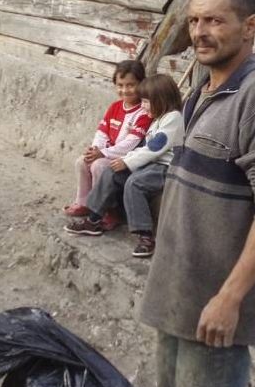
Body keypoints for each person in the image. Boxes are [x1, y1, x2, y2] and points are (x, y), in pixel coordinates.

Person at [138, 0, 255, 387]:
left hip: (215, 311)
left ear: (250, 26)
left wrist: (230, 298)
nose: (199, 32)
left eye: (214, 20)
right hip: (179, 297)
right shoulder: (202, 92)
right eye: (194, 20)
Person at [64, 73, 184, 258]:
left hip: (165, 167)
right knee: (112, 172)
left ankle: (145, 236)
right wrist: (124, 161)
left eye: (146, 101)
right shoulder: (157, 119)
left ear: (161, 99)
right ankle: (94, 219)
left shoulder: (173, 118)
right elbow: (144, 148)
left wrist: (127, 162)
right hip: (149, 162)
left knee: (135, 183)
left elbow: (155, 147)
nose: (142, 106)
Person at [63, 60, 152, 227]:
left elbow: (130, 144)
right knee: (82, 161)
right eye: (120, 85)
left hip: (125, 159)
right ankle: (84, 202)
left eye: (131, 85)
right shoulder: (115, 107)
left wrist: (103, 154)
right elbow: (102, 132)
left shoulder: (144, 111)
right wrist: (95, 148)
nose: (124, 90)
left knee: (99, 167)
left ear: (142, 83)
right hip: (107, 153)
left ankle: (109, 210)